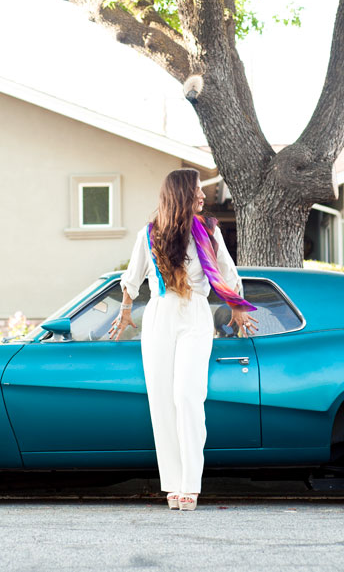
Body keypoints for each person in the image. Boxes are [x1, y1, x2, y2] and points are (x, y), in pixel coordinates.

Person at [109, 168, 257, 511]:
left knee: (187, 397)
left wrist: (237, 307)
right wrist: (126, 310)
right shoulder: (148, 234)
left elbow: (227, 271)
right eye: (196, 191)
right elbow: (131, 278)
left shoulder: (207, 232)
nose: (203, 198)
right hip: (160, 315)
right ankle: (173, 484)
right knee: (161, 401)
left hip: (195, 314)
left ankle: (191, 483)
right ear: (180, 195)